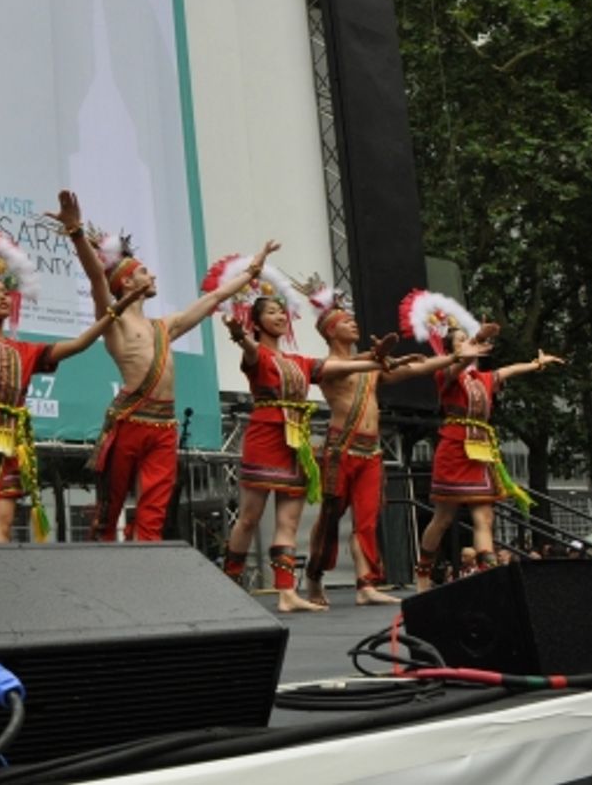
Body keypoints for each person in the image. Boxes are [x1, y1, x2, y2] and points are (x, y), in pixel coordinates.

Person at [49, 190, 282, 542]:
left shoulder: (164, 327)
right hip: (129, 420)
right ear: (127, 282)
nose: (153, 275)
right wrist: (76, 232)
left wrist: (252, 272)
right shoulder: (114, 322)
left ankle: (147, 564)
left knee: (154, 512)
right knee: (109, 508)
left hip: (164, 426)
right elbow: (97, 279)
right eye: (145, 271)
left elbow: (214, 298)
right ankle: (102, 563)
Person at [0, 219, 139, 547]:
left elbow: (78, 344)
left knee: (1, 529)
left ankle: (1, 579)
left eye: (6, 292)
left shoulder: (27, 351)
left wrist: (113, 312)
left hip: (9, 442)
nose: (3, 297)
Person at [207, 258, 386, 612]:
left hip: (296, 443)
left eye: (281, 311)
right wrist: (239, 336)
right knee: (249, 518)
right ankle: (230, 584)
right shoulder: (258, 356)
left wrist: (378, 360)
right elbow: (248, 349)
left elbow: (342, 366)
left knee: (288, 522)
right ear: (257, 321)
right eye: (271, 312)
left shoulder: (301, 362)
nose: (279, 316)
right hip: (266, 437)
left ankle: (287, 593)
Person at [299, 279, 491, 606]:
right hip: (340, 450)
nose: (354, 324)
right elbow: (352, 366)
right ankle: (314, 575)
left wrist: (455, 357)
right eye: (346, 322)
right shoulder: (328, 367)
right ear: (330, 331)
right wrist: (378, 358)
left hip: (370, 452)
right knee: (330, 521)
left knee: (367, 521)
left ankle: (366, 585)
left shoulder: (372, 368)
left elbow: (419, 368)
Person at [399, 289, 563, 590]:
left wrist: (536, 364)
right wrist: (472, 343)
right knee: (443, 517)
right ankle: (423, 572)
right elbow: (458, 364)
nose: (469, 345)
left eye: (469, 340)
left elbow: (508, 371)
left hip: (481, 450)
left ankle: (489, 577)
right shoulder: (446, 374)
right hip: (455, 446)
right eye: (461, 341)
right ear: (451, 349)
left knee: (485, 516)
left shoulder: (483, 379)